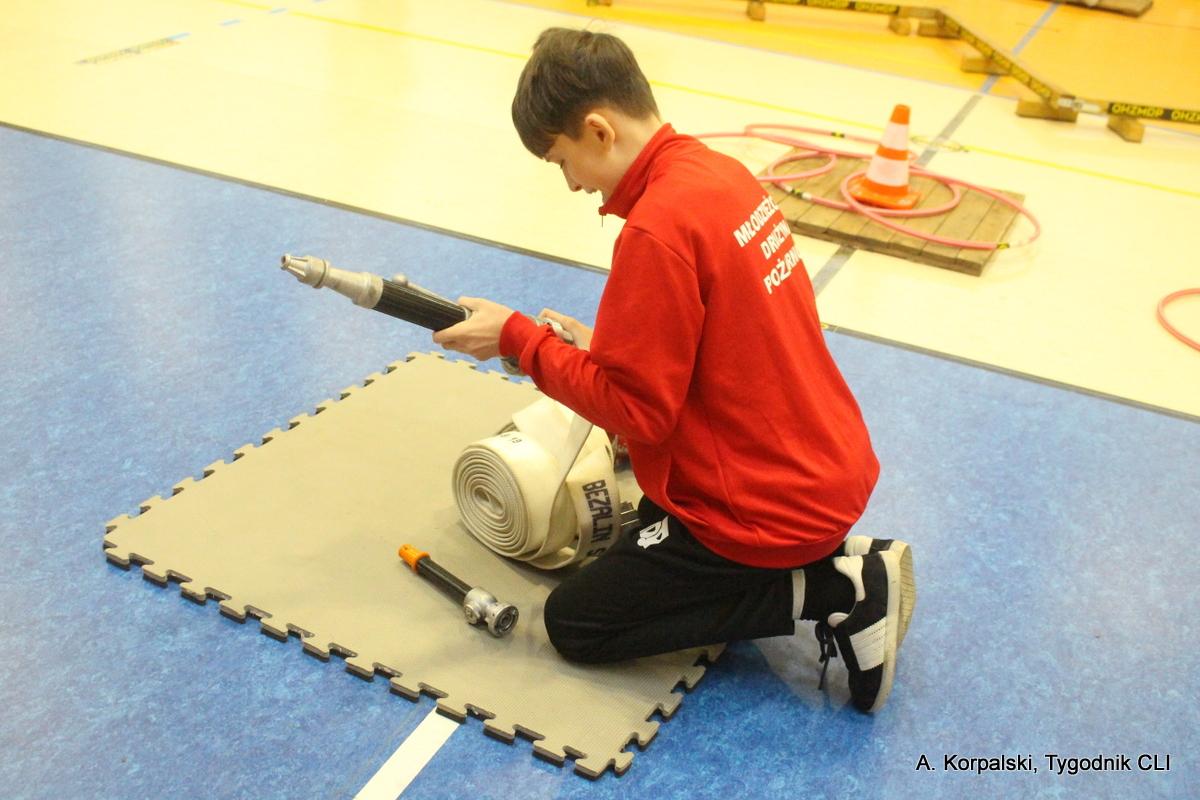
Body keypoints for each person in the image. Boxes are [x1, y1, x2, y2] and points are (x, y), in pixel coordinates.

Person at [433, 27, 914, 713]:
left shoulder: (656, 229)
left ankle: (835, 589)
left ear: (599, 130)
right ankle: (814, 558)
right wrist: (603, 347)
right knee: (641, 525)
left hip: (766, 505)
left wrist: (519, 341)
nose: (572, 183)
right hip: (820, 463)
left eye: (562, 160)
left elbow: (638, 414)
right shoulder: (718, 174)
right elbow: (724, 338)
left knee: (576, 623)